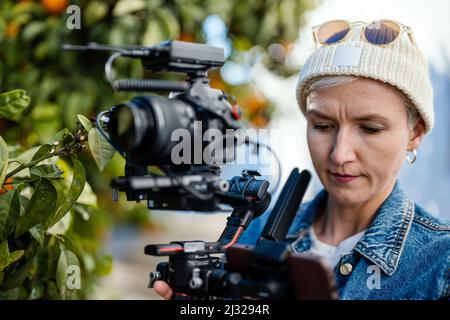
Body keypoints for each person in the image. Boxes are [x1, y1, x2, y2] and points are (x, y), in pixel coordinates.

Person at [154, 19, 450, 300]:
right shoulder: (252, 231)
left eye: (370, 128)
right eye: (322, 125)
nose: (339, 154)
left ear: (415, 133)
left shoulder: (441, 261)